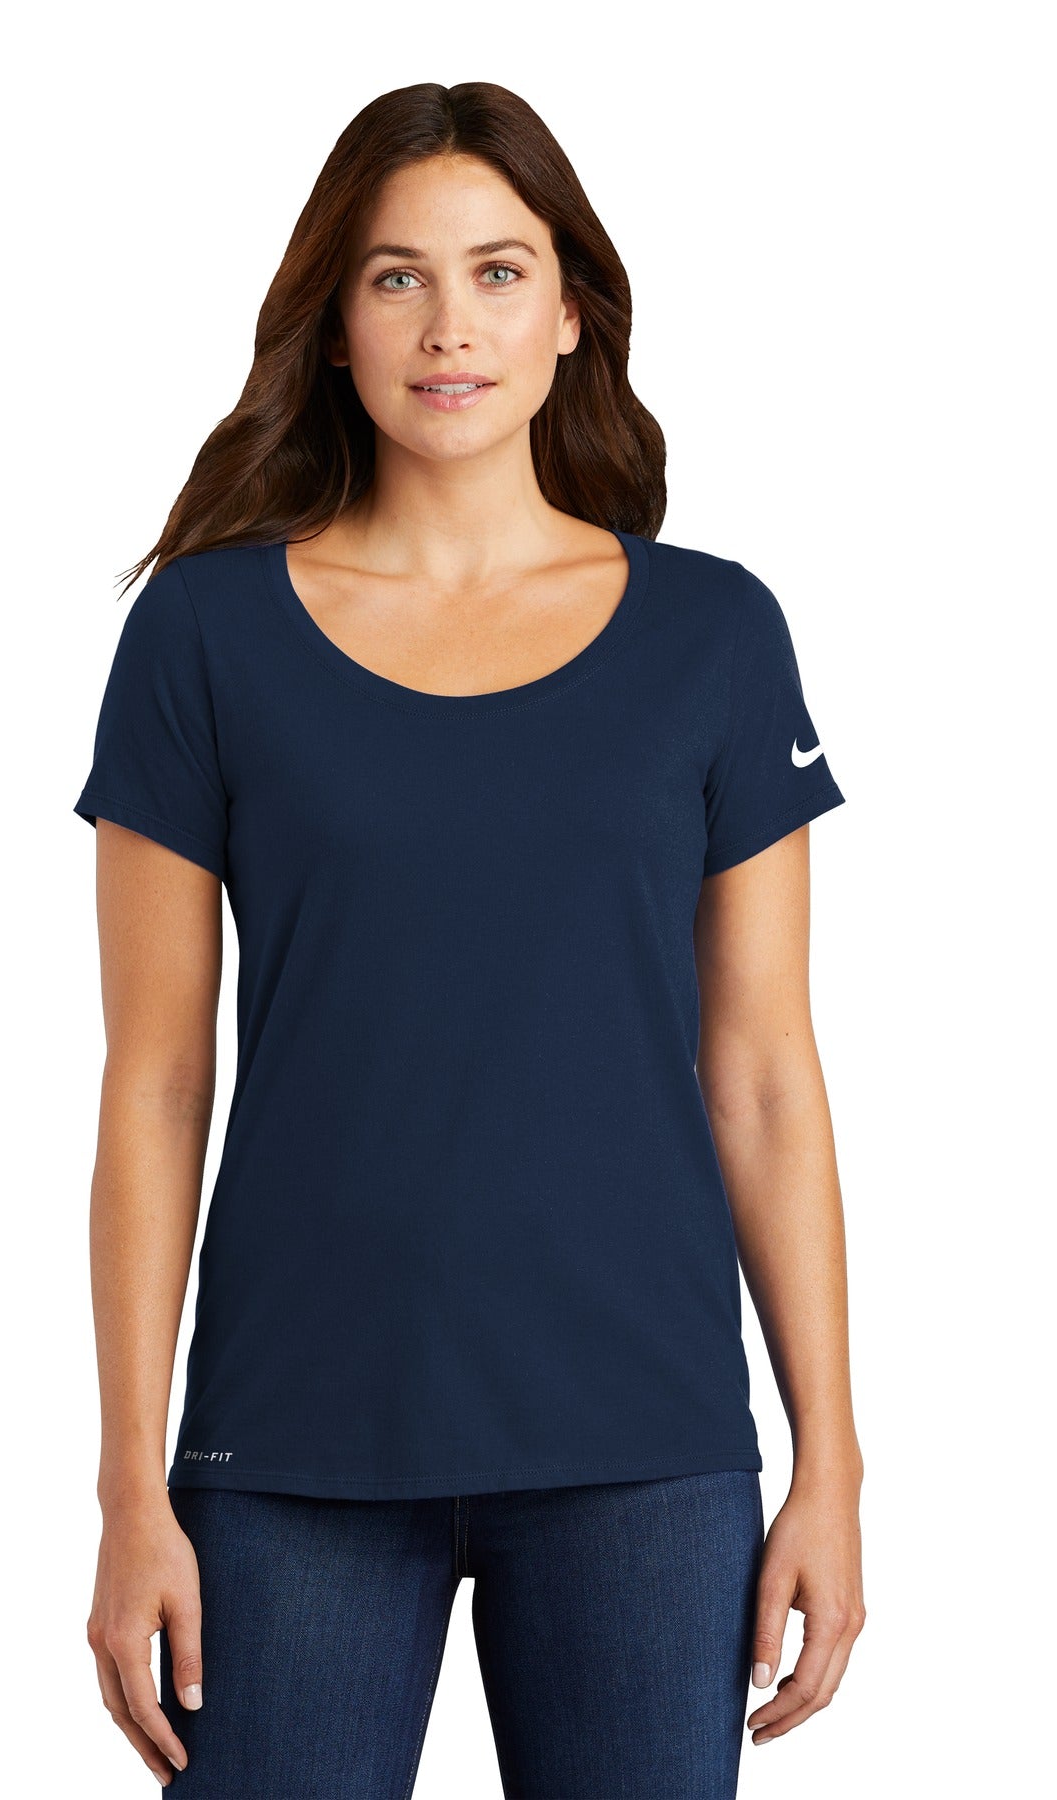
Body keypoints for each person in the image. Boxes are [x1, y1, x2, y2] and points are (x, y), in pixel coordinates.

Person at [76, 80, 865, 1799]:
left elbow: (763, 1076)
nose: (452, 327)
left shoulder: (715, 635)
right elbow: (153, 1086)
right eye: (398, 278)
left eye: (500, 273)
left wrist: (834, 1465)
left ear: (571, 313)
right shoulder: (204, 636)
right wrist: (132, 1487)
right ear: (334, 322)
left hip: (642, 1451)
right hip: (288, 1450)